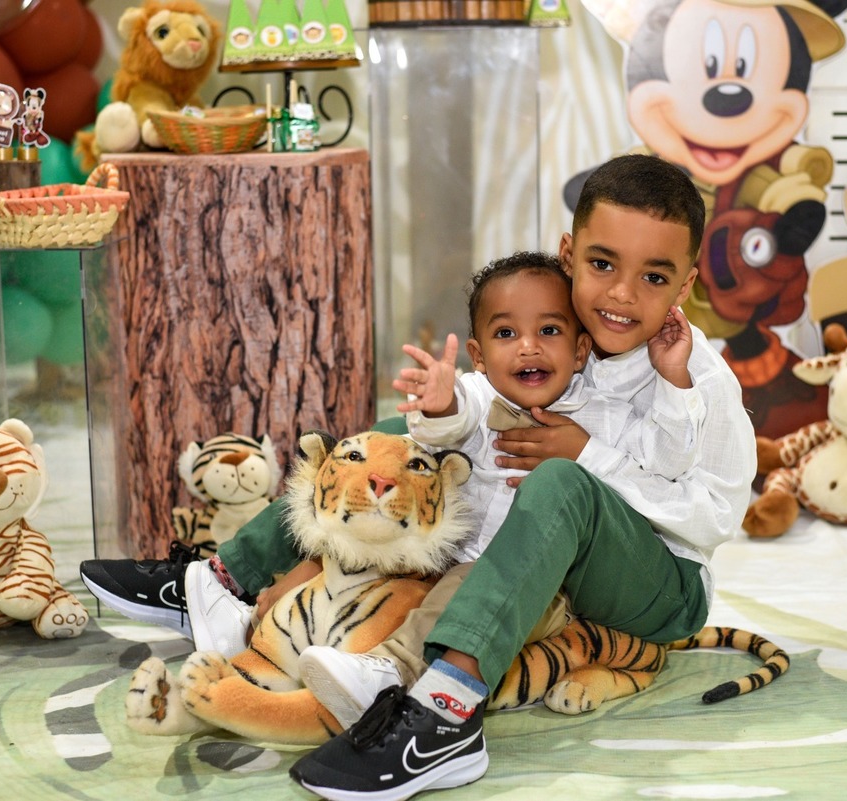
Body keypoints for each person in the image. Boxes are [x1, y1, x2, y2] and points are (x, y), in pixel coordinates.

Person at [285, 154, 755, 800]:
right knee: (397, 437)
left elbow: (714, 517)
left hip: (660, 587)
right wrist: (441, 407)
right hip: (561, 571)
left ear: (685, 285)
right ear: (568, 255)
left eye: (653, 276)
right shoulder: (563, 334)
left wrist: (587, 455)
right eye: (602, 264)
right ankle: (228, 580)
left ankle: (447, 712)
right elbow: (484, 404)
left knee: (560, 481)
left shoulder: (699, 378)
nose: (622, 295)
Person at [295, 249, 695, 730]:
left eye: (549, 330)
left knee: (458, 592)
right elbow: (450, 422)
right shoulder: (480, 396)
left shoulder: (605, 414)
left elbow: (668, 459)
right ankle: (271, 609)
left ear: (580, 351)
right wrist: (440, 404)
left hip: (535, 587)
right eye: (506, 333)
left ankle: (392, 670)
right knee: (377, 492)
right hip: (449, 560)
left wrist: (674, 378)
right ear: (479, 356)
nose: (528, 347)